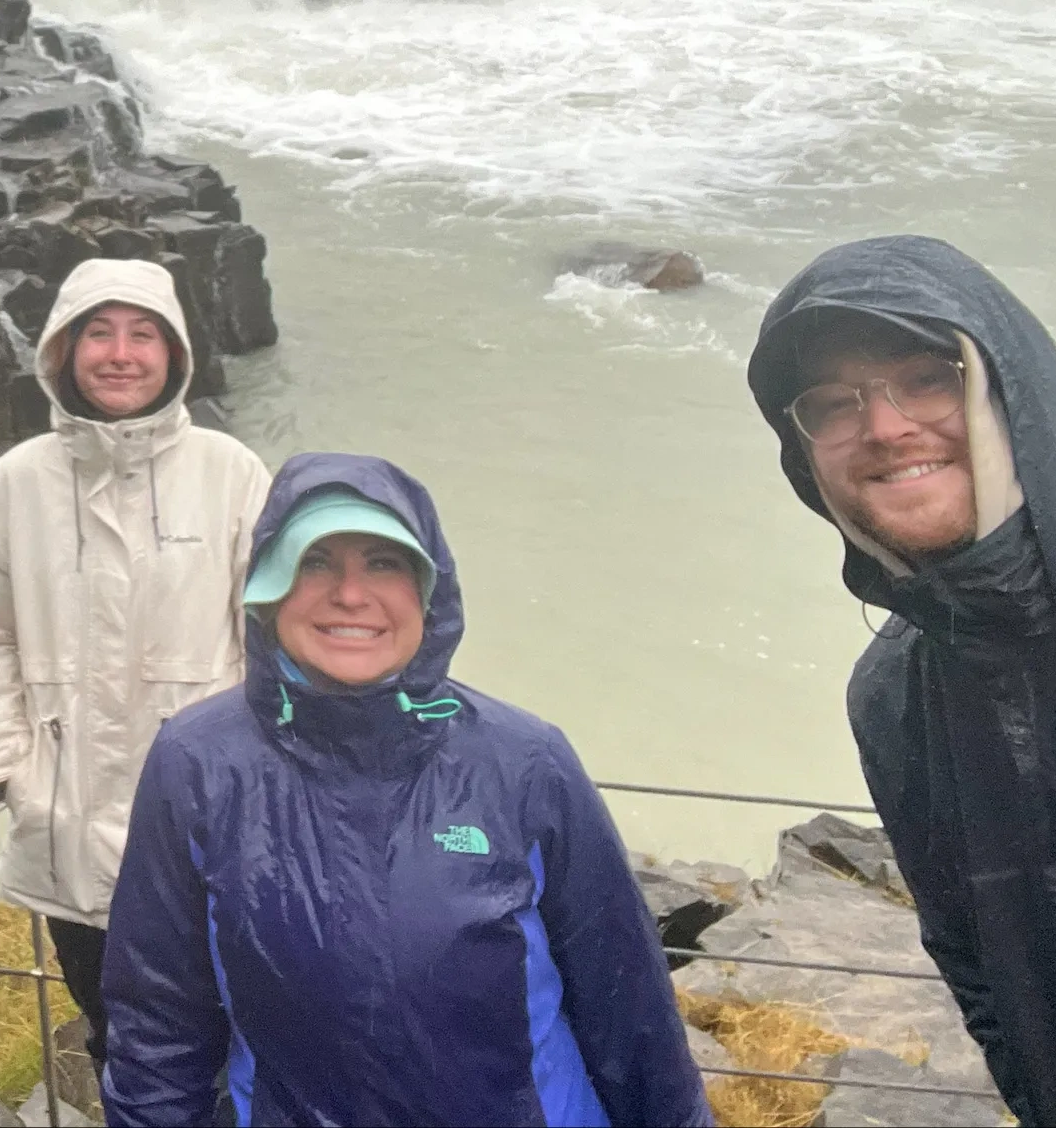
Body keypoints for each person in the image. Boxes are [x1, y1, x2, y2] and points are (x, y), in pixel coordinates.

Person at [103, 452, 709, 1128]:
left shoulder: (527, 762)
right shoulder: (198, 766)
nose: (351, 594)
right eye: (314, 560)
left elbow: (630, 1016)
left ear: (429, 587)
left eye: (384, 562)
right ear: (269, 587)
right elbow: (157, 1028)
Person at [747, 234, 1056, 1125]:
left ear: (1011, 386)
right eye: (833, 404)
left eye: (928, 376)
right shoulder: (891, 695)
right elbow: (972, 965)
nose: (886, 428)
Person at [0, 258, 270, 1077]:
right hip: (68, 836)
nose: (120, 353)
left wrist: (264, 792)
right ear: (62, 349)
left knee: (243, 1038)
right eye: (99, 332)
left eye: (143, 333)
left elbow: (276, 643)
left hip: (209, 838)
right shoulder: (16, 482)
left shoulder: (230, 473)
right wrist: (13, 770)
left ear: (176, 353)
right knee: (118, 1042)